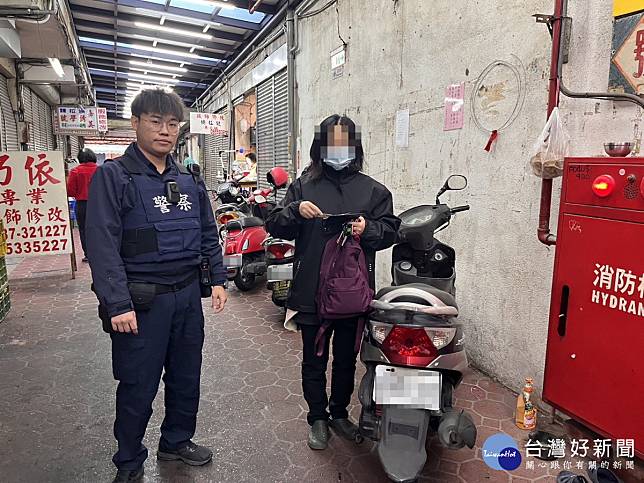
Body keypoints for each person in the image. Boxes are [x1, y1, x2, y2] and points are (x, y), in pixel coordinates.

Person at [86, 88, 228, 483]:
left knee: (186, 376)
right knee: (137, 385)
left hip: (186, 297)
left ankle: (176, 441)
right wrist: (117, 304)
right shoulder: (114, 177)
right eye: (155, 122)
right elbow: (101, 245)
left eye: (172, 124)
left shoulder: (187, 177)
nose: (165, 131)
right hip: (141, 302)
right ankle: (129, 461)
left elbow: (206, 230)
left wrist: (217, 278)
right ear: (135, 124)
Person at [265, 114, 401, 450]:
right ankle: (318, 418)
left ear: (355, 146)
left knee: (345, 359)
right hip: (312, 291)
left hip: (352, 293)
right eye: (331, 142)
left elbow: (390, 231)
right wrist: (295, 210)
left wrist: (366, 229)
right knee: (314, 360)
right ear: (319, 146)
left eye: (345, 142)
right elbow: (276, 226)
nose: (338, 150)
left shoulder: (374, 190)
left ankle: (339, 413)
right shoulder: (303, 186)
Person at [66, 148, 98, 262]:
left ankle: (88, 255)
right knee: (102, 228)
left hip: (82, 205)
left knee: (84, 230)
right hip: (100, 204)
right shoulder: (101, 170)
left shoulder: (75, 172)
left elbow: (70, 191)